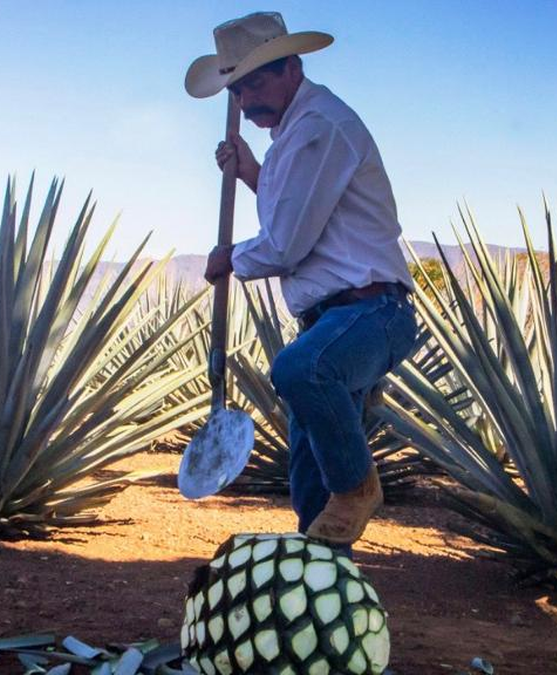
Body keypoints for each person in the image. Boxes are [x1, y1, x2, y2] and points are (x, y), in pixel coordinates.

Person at [185, 11, 417, 547]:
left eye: (256, 83)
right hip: (333, 318)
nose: (245, 101)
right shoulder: (294, 134)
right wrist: (250, 172)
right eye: (238, 90)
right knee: (311, 482)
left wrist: (231, 258)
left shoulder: (317, 127)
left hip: (372, 312)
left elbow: (287, 243)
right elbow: (301, 210)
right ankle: (326, 586)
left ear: (292, 66)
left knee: (301, 370)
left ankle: (358, 487)